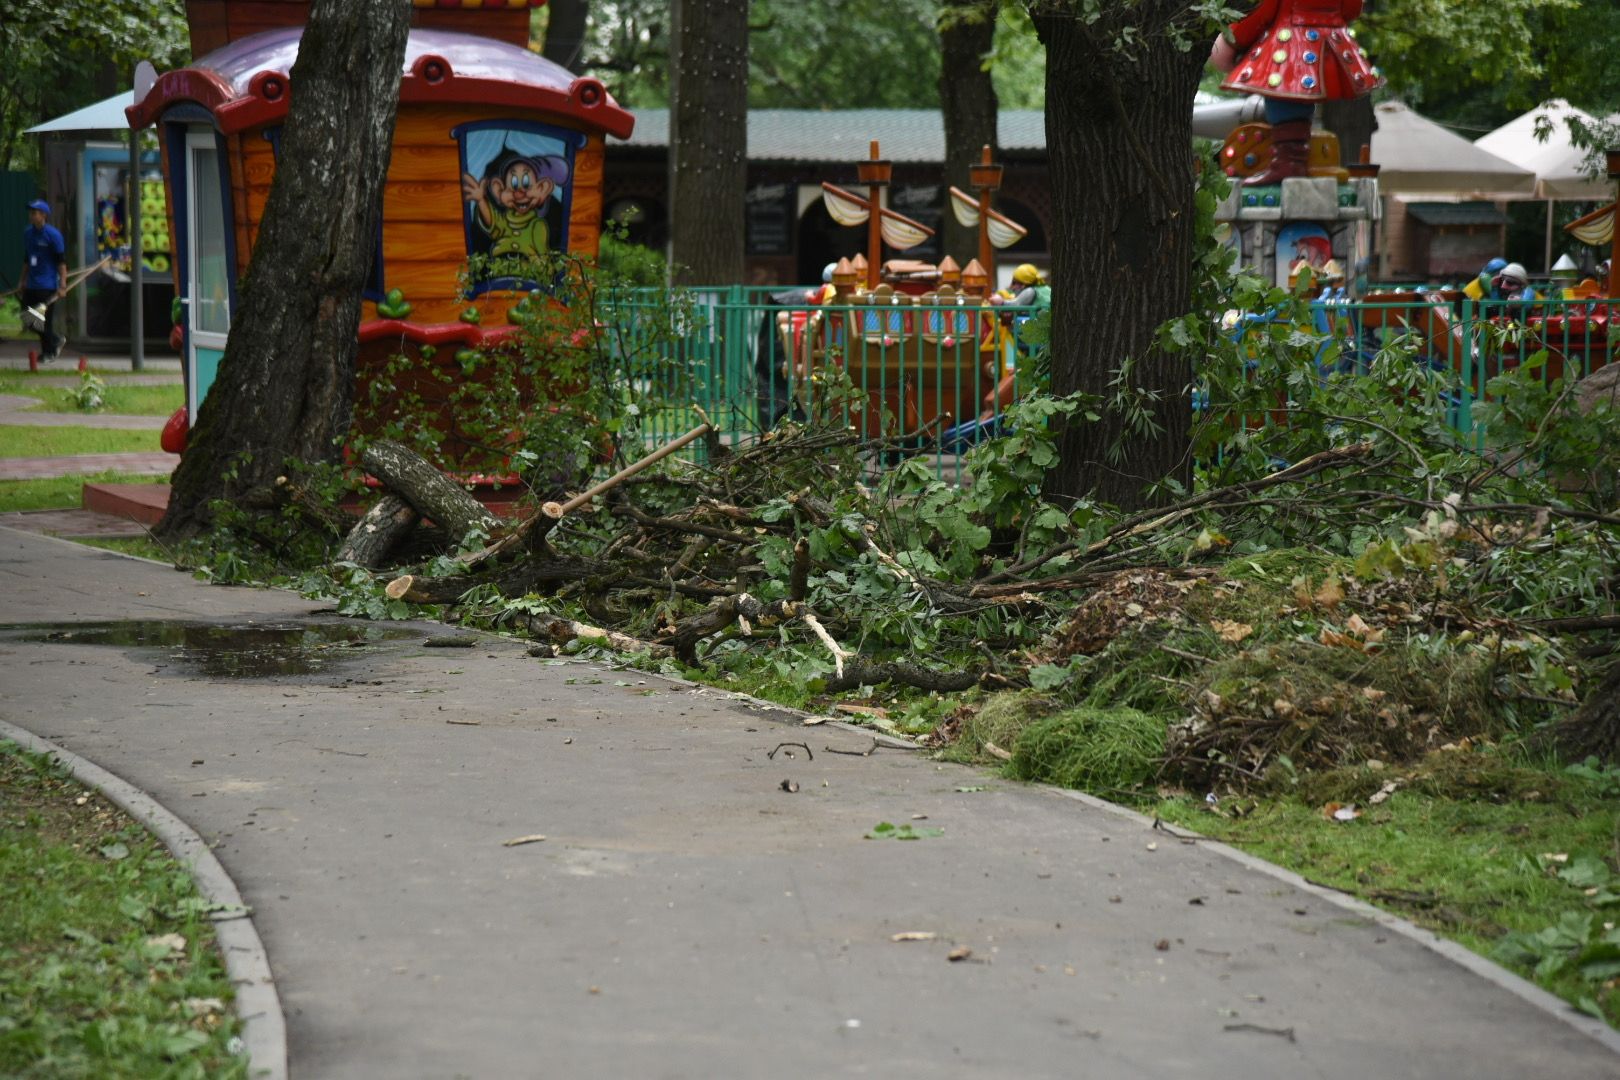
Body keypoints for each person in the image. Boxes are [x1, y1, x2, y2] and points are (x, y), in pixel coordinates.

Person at [1208, 0, 1384, 185]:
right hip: (1329, 37)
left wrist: (1232, 38)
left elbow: (1263, 11)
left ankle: (1287, 162)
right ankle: (1295, 158)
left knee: (1283, 92)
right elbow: (1352, 9)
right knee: (1302, 94)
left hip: (1290, 39)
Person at [20, 198, 67, 360]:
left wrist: (62, 285)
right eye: (31, 213)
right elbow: (27, 258)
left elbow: (61, 262)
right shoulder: (28, 233)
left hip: (46, 285)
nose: (31, 216)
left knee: (43, 321)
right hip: (31, 284)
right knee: (28, 319)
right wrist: (22, 280)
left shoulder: (53, 235)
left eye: (35, 213)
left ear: (44, 215)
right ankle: (55, 340)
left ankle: (48, 353)